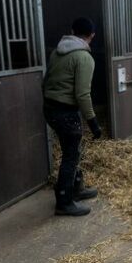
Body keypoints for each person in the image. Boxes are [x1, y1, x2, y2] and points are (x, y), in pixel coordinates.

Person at [43, 17, 101, 216]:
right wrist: (93, 122)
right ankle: (64, 200)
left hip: (50, 108)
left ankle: (77, 188)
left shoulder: (56, 53)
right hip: (65, 110)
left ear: (72, 31)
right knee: (71, 155)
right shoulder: (84, 58)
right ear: (91, 36)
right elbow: (82, 94)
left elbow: (46, 80)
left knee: (74, 149)